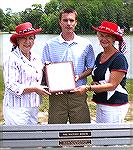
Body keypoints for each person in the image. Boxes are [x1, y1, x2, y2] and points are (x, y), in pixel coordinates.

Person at [41, 8, 95, 124]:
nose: (68, 23)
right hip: (57, 96)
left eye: (71, 20)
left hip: (78, 93)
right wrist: (51, 80)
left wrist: (79, 77)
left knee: (81, 133)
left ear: (76, 22)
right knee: (55, 133)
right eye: (65, 20)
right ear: (60, 22)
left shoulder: (86, 44)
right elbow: (45, 68)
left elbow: (90, 68)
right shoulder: (49, 45)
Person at [73, 20, 129, 123]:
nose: (104, 39)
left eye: (108, 36)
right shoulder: (99, 56)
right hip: (101, 102)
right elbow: (99, 77)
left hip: (114, 104)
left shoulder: (119, 58)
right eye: (101, 35)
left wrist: (88, 88)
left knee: (110, 137)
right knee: (101, 134)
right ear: (98, 36)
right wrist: (94, 83)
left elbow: (112, 85)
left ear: (114, 39)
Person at [3, 22, 51, 125]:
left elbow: (39, 78)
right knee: (18, 139)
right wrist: (34, 89)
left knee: (31, 138)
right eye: (24, 38)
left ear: (34, 40)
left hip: (33, 106)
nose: (27, 41)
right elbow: (11, 86)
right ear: (17, 40)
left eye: (31, 38)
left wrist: (49, 71)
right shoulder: (11, 58)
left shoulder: (36, 58)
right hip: (16, 108)